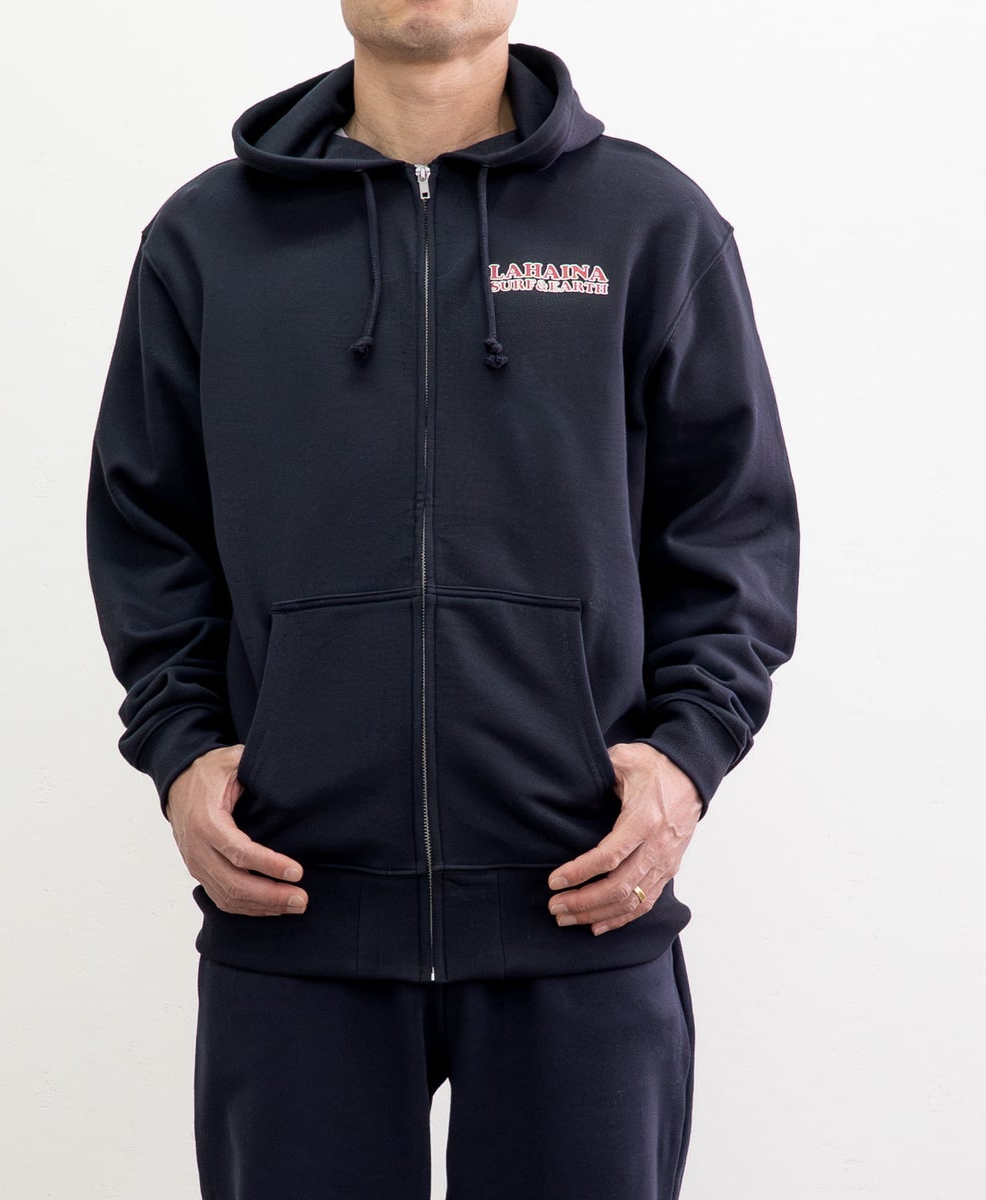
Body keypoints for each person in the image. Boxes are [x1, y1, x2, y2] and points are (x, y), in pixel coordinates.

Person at [86, 2, 800, 1197]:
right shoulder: (208, 239)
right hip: (295, 913)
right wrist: (182, 750)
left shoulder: (648, 223)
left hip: (581, 905)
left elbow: (730, 527)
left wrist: (685, 761)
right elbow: (147, 529)